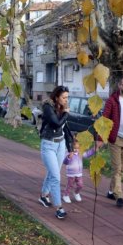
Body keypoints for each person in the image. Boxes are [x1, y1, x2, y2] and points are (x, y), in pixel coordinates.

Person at [97, 76, 123, 208]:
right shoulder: (112, 100)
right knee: (117, 169)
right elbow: (104, 120)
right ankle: (119, 196)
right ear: (119, 85)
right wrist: (100, 138)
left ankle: (111, 191)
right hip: (115, 139)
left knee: (121, 170)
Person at [38, 86, 74, 219]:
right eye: (64, 97)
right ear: (56, 97)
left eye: (67, 97)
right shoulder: (48, 108)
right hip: (48, 145)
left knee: (53, 173)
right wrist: (66, 113)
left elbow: (65, 128)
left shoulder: (62, 107)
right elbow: (56, 124)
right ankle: (59, 207)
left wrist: (70, 148)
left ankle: (43, 195)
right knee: (56, 177)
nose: (66, 100)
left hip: (61, 145)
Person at [62, 139, 96, 203]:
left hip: (79, 173)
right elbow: (65, 162)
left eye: (77, 148)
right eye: (74, 148)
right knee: (70, 185)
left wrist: (93, 150)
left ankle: (76, 193)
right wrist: (69, 157)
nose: (76, 150)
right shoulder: (67, 153)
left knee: (80, 185)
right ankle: (66, 195)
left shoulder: (80, 153)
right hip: (71, 173)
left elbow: (87, 154)